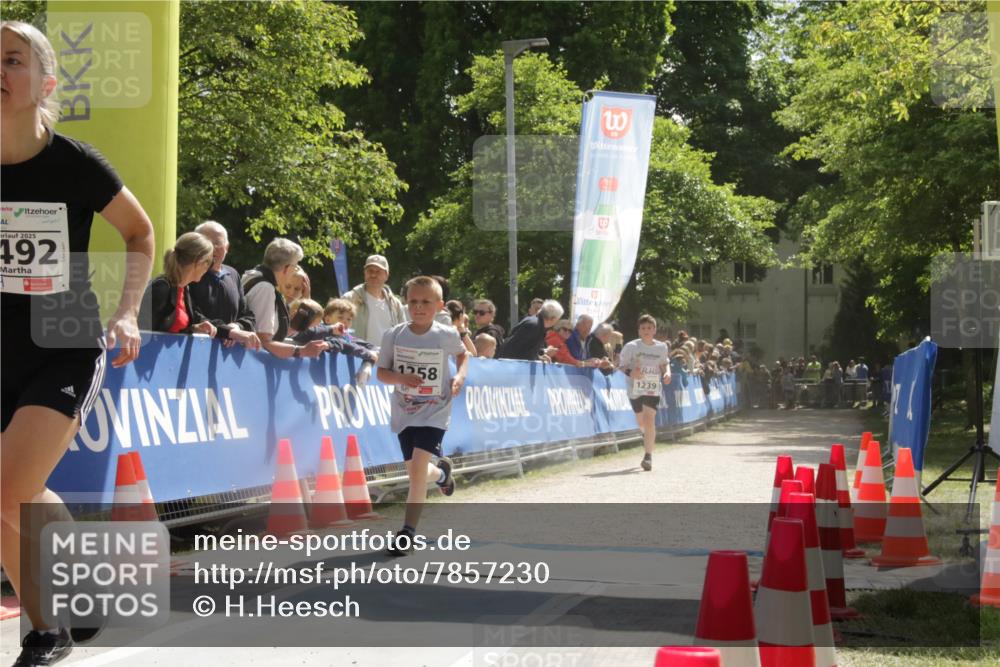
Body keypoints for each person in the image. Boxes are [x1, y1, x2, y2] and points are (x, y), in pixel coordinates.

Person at [1, 20, 156, 666]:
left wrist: (125, 314)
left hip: (62, 343)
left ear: (46, 82)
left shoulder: (76, 163)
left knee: (7, 490)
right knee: (16, 493)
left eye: (11, 59)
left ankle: (46, 629)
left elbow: (141, 233)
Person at [376, 276, 469, 556]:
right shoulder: (394, 335)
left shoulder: (445, 334)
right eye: (413, 301)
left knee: (416, 471)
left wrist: (460, 377)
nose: (418, 307)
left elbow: (463, 356)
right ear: (406, 303)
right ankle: (441, 474)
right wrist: (400, 376)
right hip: (405, 411)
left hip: (435, 410)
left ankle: (407, 533)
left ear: (438, 305)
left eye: (425, 302)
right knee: (417, 471)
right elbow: (381, 373)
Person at [242, 238, 326, 359]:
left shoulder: (253, 276)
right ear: (288, 268)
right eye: (296, 266)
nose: (296, 270)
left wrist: (293, 326)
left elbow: (265, 334)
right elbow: (264, 343)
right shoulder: (265, 288)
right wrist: (303, 351)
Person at [189, 220, 258, 347]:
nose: (212, 247)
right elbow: (191, 315)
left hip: (227, 358)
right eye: (206, 242)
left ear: (227, 247)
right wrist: (227, 332)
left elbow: (248, 316)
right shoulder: (190, 276)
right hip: (197, 350)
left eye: (217, 243)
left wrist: (236, 327)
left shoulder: (233, 275)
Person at [618, 315, 671, 471]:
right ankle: (645, 434)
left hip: (652, 388)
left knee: (649, 420)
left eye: (649, 328)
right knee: (640, 421)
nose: (646, 331)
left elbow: (665, 364)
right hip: (634, 388)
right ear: (639, 331)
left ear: (654, 330)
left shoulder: (661, 347)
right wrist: (630, 372)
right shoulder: (631, 347)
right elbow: (621, 366)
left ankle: (648, 457)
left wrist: (667, 373)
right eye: (643, 328)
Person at [343, 254, 407, 345]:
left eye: (378, 271)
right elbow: (337, 328)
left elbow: (403, 333)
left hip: (388, 356)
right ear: (365, 273)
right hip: (360, 355)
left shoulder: (395, 304)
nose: (373, 274)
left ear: (386, 275)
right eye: (370, 271)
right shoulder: (349, 299)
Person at [495, 299, 563, 362]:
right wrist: (539, 357)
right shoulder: (534, 326)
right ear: (553, 319)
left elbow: (526, 349)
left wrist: (540, 355)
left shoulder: (535, 323)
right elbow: (515, 351)